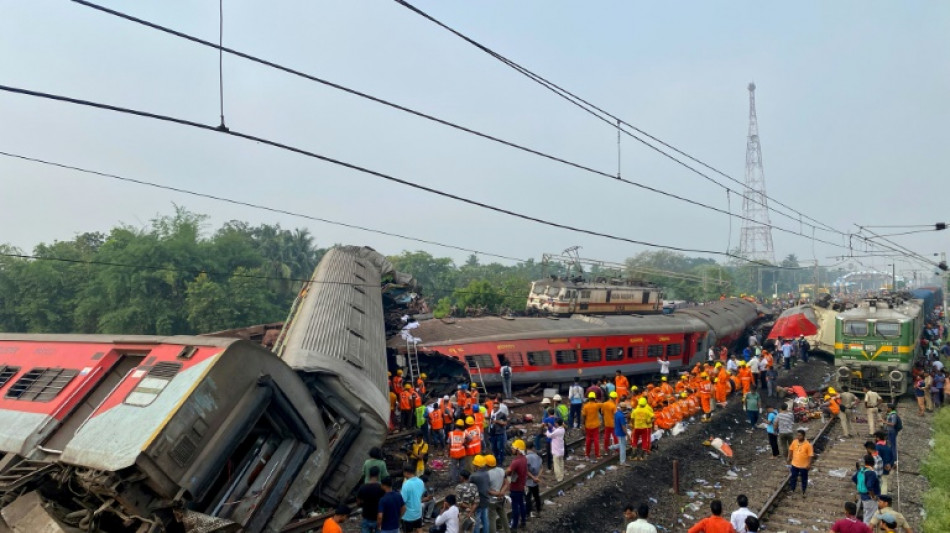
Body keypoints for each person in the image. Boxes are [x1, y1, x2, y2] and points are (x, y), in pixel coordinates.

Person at [507, 439, 528, 530]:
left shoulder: (516, 462)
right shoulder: (524, 459)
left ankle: (514, 526)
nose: (512, 449)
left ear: (518, 450)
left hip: (515, 488)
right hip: (521, 486)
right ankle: (523, 522)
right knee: (522, 505)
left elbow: (508, 471)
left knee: (515, 507)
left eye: (514, 448)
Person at [485, 455, 511, 533]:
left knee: (492, 519)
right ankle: (507, 531)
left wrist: (496, 494)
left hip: (491, 500)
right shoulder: (501, 470)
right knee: (503, 515)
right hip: (501, 498)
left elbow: (487, 490)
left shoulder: (487, 474)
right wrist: (501, 492)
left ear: (487, 464)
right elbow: (507, 483)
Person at [852, 455, 880, 524]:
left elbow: (853, 478)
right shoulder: (871, 473)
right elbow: (869, 486)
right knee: (870, 517)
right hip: (870, 498)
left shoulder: (861, 470)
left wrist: (859, 486)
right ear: (873, 463)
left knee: (866, 514)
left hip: (863, 496)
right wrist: (873, 496)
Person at [357, 466, 385, 533]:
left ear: (369, 475)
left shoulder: (363, 487)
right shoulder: (382, 488)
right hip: (378, 518)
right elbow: (385, 502)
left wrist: (363, 505)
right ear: (378, 475)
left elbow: (358, 502)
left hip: (366, 516)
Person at [787, 429, 812, 497]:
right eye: (797, 435)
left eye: (800, 436)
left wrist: (809, 464)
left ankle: (804, 491)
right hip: (794, 464)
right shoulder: (794, 442)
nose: (798, 437)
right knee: (793, 477)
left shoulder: (808, 445)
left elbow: (810, 455)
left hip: (804, 466)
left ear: (803, 436)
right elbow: (790, 449)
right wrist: (789, 457)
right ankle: (792, 489)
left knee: (804, 479)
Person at [470, 455, 492, 533]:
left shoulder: (473, 476)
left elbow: (470, 489)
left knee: (477, 521)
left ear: (476, 465)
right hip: (485, 500)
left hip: (477, 502)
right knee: (485, 520)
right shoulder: (486, 474)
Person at [401, 464, 426, 533]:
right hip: (418, 512)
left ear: (406, 472)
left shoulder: (406, 484)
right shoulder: (421, 482)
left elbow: (402, 501)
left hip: (408, 515)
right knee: (419, 529)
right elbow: (421, 496)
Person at [582, 392, 602, 460]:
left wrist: (583, 425)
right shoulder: (597, 405)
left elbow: (584, 416)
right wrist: (596, 401)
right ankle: (597, 455)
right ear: (594, 398)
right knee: (596, 440)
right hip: (595, 426)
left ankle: (587, 454)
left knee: (588, 440)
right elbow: (602, 404)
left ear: (588, 398)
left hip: (588, 426)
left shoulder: (585, 406)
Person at [524, 442, 542, 518]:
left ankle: (528, 514)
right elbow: (541, 468)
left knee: (528, 498)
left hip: (528, 481)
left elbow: (526, 470)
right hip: (536, 481)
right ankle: (538, 511)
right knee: (536, 496)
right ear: (532, 447)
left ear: (525, 448)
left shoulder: (526, 458)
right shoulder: (537, 456)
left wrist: (532, 477)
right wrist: (537, 477)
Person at [874, 431, 895, 495]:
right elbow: (892, 457)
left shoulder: (877, 447)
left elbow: (877, 458)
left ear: (878, 438)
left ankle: (881, 497)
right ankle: (884, 496)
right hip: (887, 468)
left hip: (880, 468)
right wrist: (889, 465)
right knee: (884, 483)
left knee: (880, 483)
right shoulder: (887, 447)